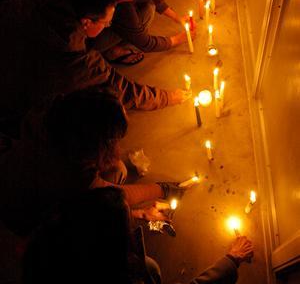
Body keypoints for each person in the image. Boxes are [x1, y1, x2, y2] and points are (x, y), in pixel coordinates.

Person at [0, 0, 190, 138]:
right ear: (86, 22)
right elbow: (123, 90)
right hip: (20, 114)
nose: (108, 26)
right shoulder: (75, 59)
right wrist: (169, 97)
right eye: (106, 23)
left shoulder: (38, 0)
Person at [0, 87, 186, 236]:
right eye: (113, 140)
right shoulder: (67, 171)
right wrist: (162, 189)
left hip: (17, 174)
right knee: (108, 204)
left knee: (117, 170)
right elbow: (112, 194)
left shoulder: (54, 112)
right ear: (97, 143)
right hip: (30, 219)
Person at [23, 187, 254, 284]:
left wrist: (140, 214)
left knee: (150, 266)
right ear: (111, 248)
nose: (132, 227)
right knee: (150, 269)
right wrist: (232, 260)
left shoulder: (57, 236)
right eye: (127, 225)